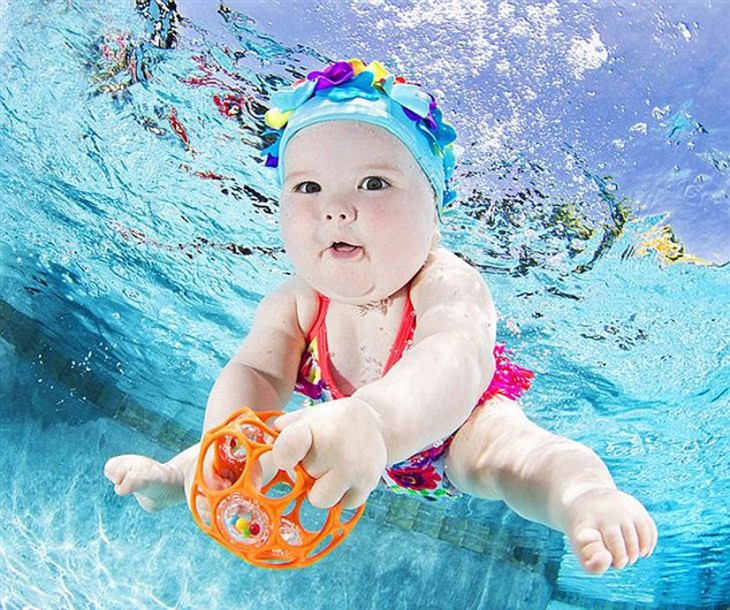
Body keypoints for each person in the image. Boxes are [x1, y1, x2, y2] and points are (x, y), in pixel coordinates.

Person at [104, 59, 657, 575]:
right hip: (347, 442)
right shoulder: (294, 302)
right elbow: (258, 376)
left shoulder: (445, 281)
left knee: (503, 456)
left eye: (373, 183)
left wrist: (374, 421)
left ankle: (584, 495)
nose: (336, 207)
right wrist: (225, 444)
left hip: (451, 428)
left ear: (433, 216)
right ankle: (185, 475)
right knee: (262, 434)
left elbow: (453, 357)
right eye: (308, 186)